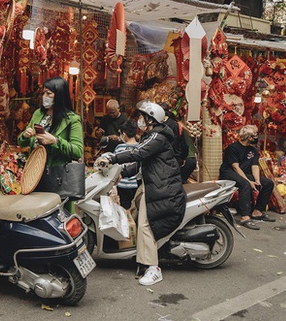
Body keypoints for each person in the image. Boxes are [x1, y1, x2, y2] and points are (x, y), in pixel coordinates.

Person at [96, 101, 186, 286]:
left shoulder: (157, 137)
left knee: (146, 225)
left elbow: (138, 153)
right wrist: (121, 172)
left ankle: (153, 268)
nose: (139, 120)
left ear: (151, 119)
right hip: (154, 186)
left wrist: (112, 157)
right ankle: (139, 254)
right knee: (134, 216)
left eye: (142, 117)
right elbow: (139, 163)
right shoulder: (151, 137)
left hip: (162, 189)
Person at [18, 76, 84, 189]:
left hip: (56, 176)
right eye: (44, 93)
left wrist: (55, 141)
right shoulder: (38, 114)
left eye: (49, 93)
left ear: (59, 96)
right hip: (34, 173)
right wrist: (25, 135)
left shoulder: (72, 119)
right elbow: (21, 142)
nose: (45, 97)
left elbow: (78, 150)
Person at [219, 125, 275, 230]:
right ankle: (245, 217)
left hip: (244, 173)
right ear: (248, 137)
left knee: (268, 183)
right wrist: (249, 181)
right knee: (245, 184)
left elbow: (255, 166)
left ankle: (257, 211)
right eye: (254, 135)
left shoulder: (253, 150)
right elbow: (235, 167)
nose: (256, 137)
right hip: (229, 172)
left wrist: (257, 181)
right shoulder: (233, 148)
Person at [114, 120, 139, 209]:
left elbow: (115, 166)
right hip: (136, 184)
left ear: (123, 134)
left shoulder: (119, 148)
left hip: (122, 184)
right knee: (136, 208)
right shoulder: (141, 147)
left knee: (124, 208)